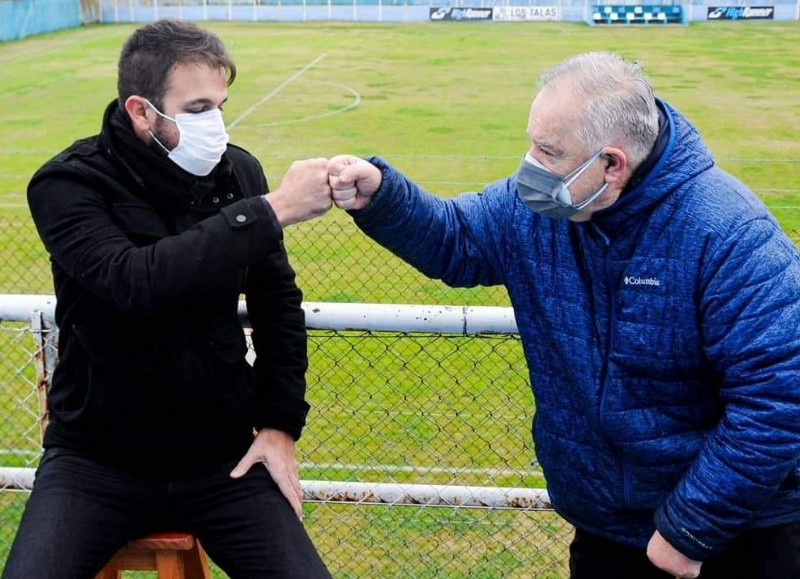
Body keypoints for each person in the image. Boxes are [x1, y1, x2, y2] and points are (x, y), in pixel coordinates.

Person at [326, 51, 800, 579]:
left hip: (737, 534)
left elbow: (779, 399)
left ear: (612, 164)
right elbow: (457, 238)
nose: (530, 164)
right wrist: (383, 197)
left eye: (548, 151)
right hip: (606, 527)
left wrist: (689, 529)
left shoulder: (729, 234)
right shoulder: (540, 208)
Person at [3, 19, 332, 578]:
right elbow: (135, 282)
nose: (218, 125)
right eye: (199, 108)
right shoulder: (68, 184)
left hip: (220, 459)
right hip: (95, 462)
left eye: (222, 105)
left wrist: (279, 426)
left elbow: (278, 304)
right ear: (141, 111)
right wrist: (270, 211)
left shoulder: (238, 171)